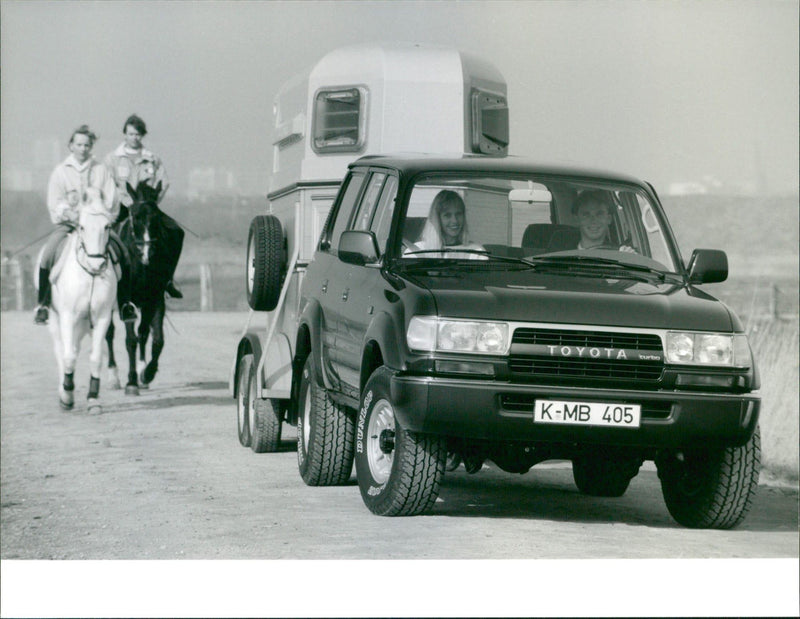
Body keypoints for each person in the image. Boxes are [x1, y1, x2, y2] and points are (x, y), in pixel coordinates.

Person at [34, 125, 138, 325]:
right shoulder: (60, 172)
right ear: (71, 146)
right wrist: (68, 213)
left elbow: (112, 200)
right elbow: (54, 201)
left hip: (97, 228)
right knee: (47, 255)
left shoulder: (101, 170)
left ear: (91, 147)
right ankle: (43, 304)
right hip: (69, 225)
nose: (83, 148)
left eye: (87, 145)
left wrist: (101, 217)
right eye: (79, 144)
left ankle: (125, 304)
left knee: (123, 253)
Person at [104, 114, 184, 298]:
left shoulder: (152, 158)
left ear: (143, 136)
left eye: (138, 134)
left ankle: (168, 279)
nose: (134, 138)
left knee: (177, 232)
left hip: (147, 209)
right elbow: (108, 183)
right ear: (124, 134)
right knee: (105, 235)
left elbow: (164, 181)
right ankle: (106, 277)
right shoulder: (113, 159)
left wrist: (153, 202)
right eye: (131, 134)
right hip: (122, 208)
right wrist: (125, 201)